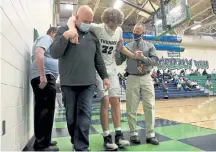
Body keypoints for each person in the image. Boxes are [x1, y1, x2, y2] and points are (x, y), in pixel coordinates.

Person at [66, 8, 141, 150]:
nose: (113, 27)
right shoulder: (97, 28)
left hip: (112, 69)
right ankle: (107, 137)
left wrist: (133, 55)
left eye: (116, 25)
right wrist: (71, 29)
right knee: (105, 100)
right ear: (105, 21)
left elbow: (120, 48)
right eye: (111, 25)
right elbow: (72, 19)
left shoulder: (119, 31)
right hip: (97, 69)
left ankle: (119, 135)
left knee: (115, 100)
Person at [50, 5, 110, 151]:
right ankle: (75, 140)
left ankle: (81, 147)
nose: (87, 24)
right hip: (68, 83)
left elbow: (99, 60)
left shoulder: (93, 37)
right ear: (76, 18)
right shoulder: (63, 31)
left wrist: (105, 77)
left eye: (90, 21)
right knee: (71, 118)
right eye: (85, 21)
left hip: (88, 84)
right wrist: (65, 37)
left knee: (85, 115)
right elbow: (54, 53)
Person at [116, 23, 159, 145]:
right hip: (132, 77)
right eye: (134, 31)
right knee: (131, 107)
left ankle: (150, 134)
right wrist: (119, 50)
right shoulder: (128, 46)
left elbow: (155, 61)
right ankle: (133, 133)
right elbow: (119, 62)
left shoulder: (150, 46)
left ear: (143, 33)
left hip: (146, 77)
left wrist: (143, 58)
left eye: (138, 32)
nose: (135, 34)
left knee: (149, 106)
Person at [30, 27, 59, 151]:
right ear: (52, 33)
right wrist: (42, 75)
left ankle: (44, 140)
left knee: (46, 111)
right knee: (44, 111)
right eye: (57, 36)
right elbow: (38, 52)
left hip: (45, 76)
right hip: (44, 77)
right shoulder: (47, 38)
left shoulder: (48, 40)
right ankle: (41, 145)